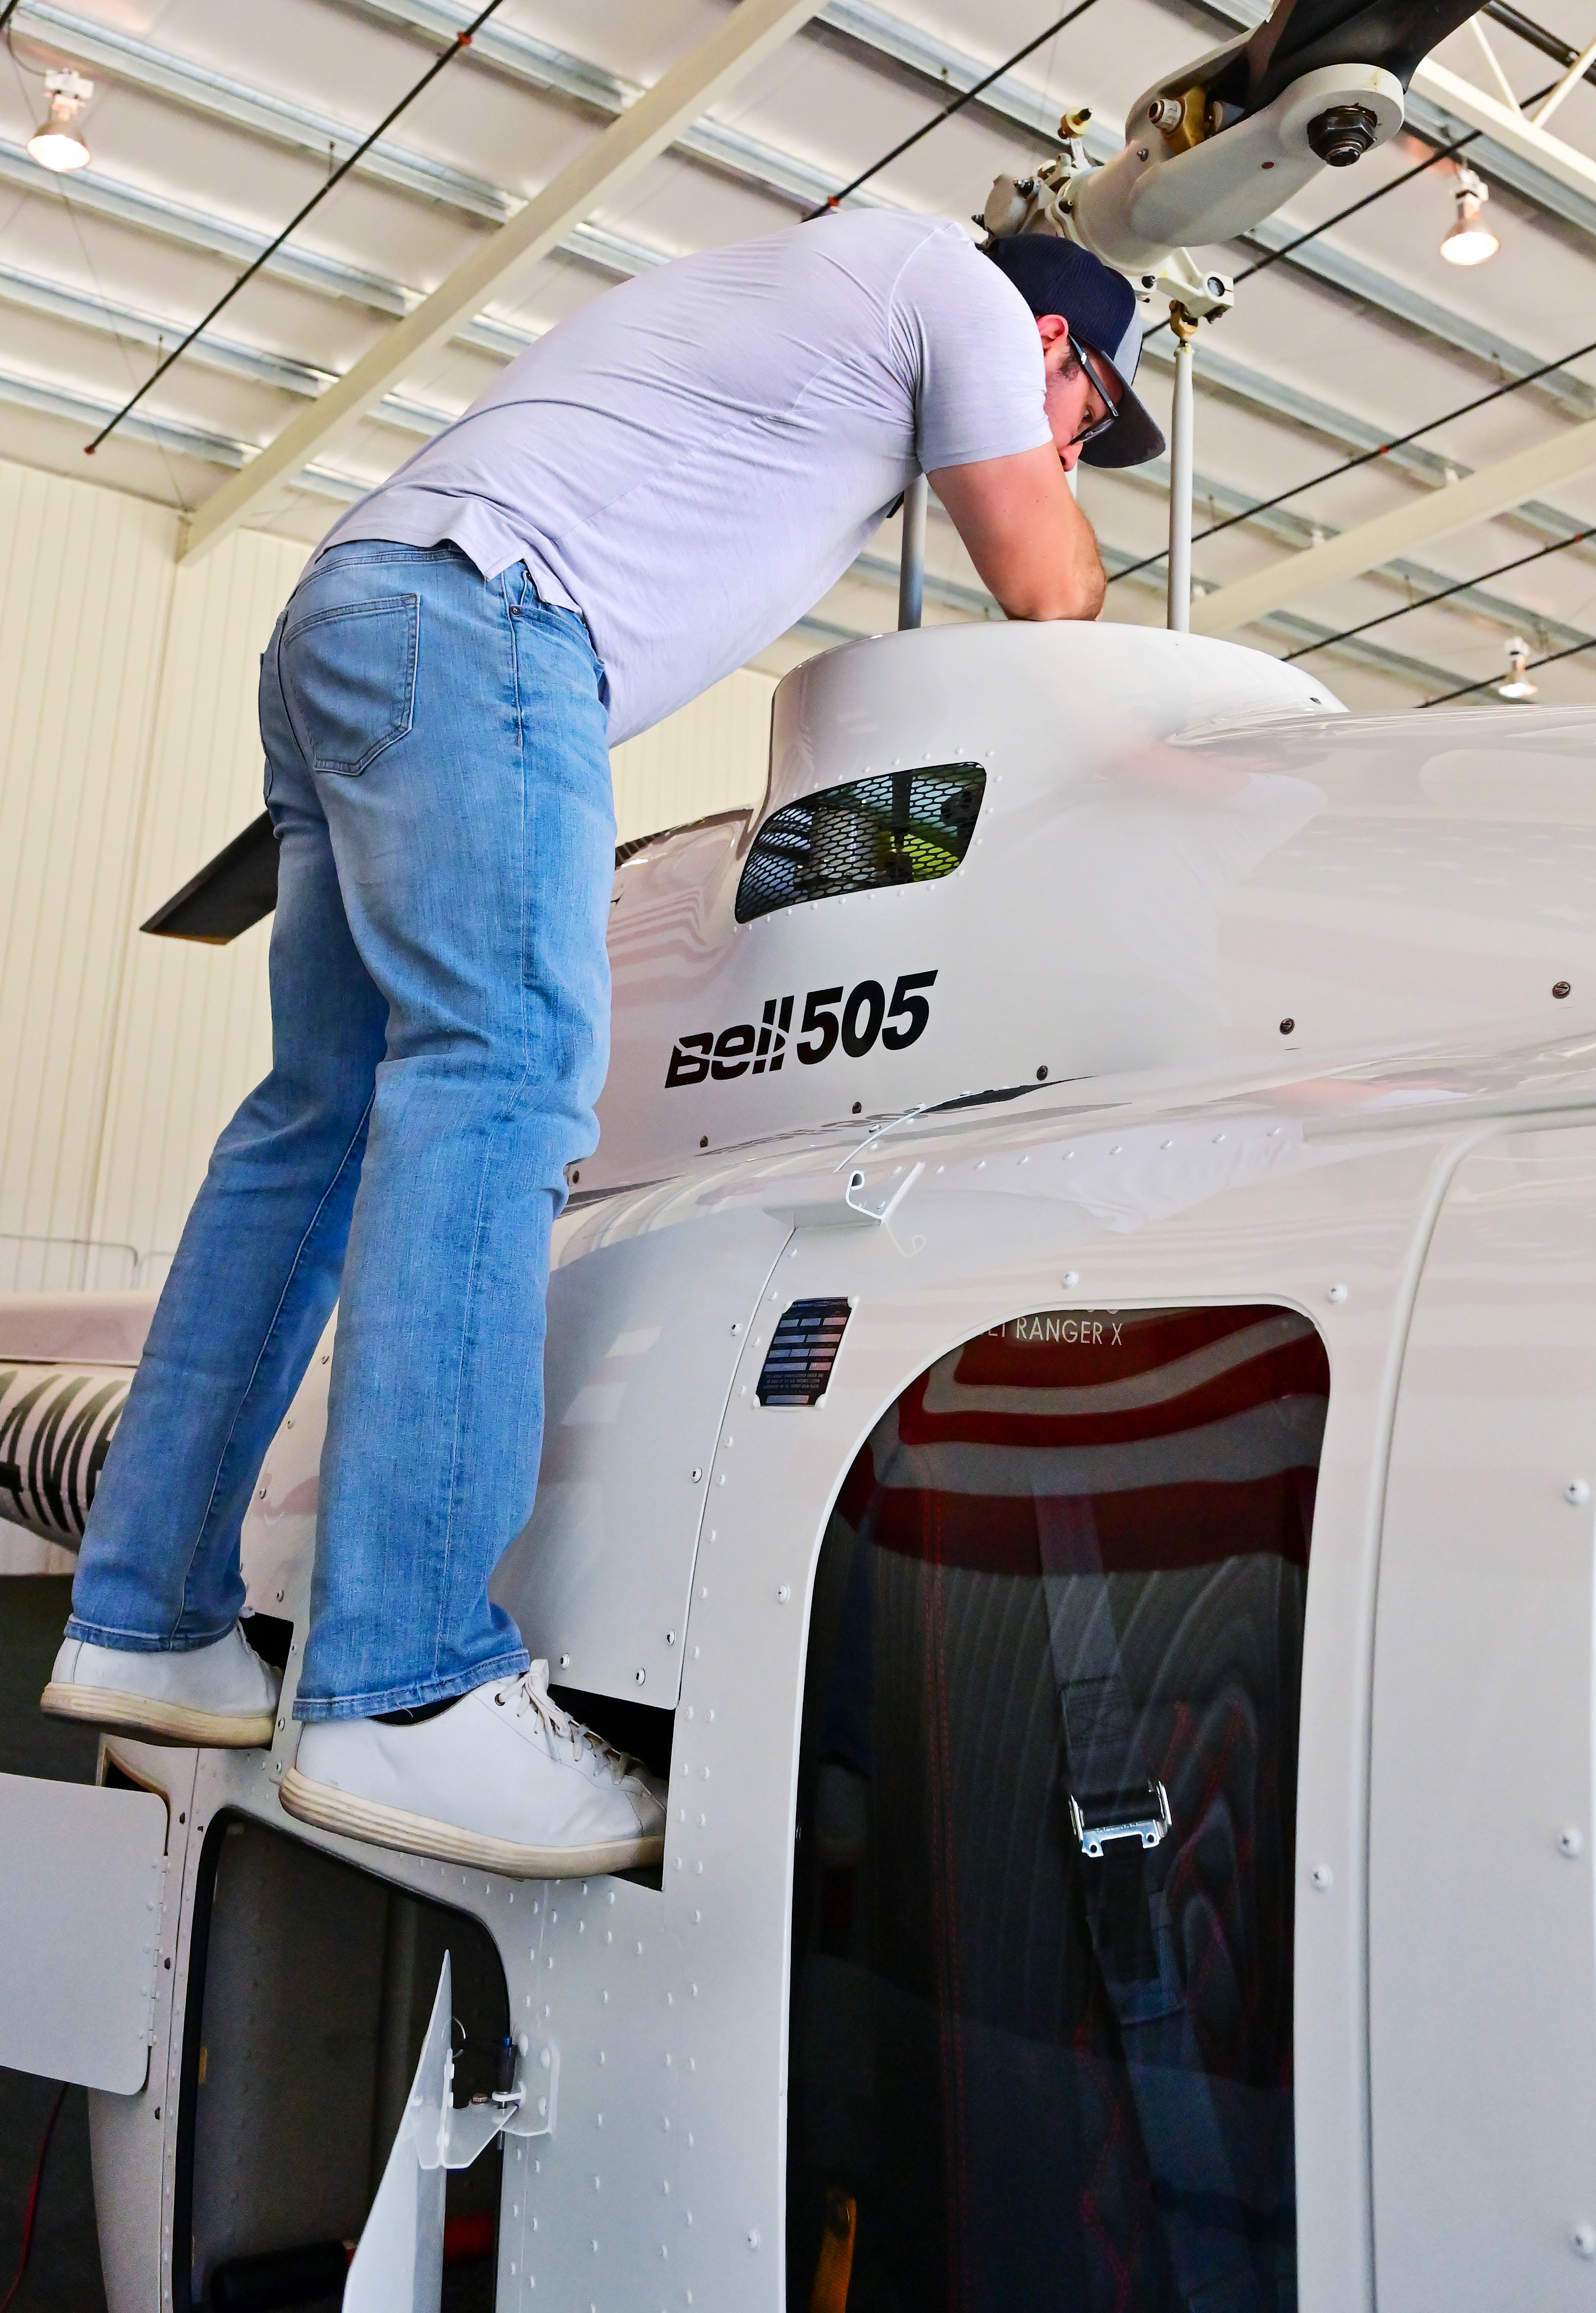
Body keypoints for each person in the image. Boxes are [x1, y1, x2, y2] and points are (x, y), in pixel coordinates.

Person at [45, 210, 1162, 1877]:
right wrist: (1046, 487)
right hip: (492, 628)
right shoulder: (955, 290)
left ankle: (146, 1617)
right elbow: (1048, 585)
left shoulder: (809, 298)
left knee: (316, 1124)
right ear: (1052, 345)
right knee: (500, 1083)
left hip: (360, 611)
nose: (1072, 445)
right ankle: (407, 1681)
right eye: (1090, 414)